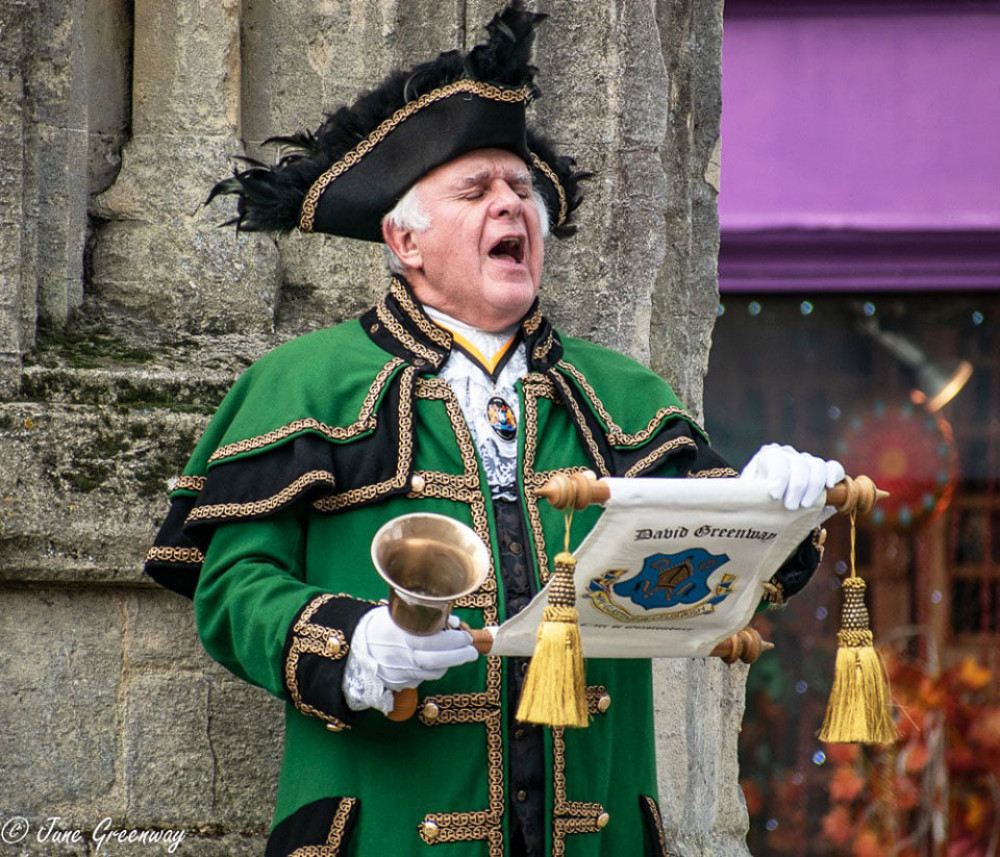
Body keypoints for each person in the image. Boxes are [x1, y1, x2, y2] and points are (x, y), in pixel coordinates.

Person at [145, 4, 842, 855]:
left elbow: (715, 570)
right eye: (476, 191)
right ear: (406, 240)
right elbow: (232, 589)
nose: (511, 204)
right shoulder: (304, 382)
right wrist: (351, 641)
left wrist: (769, 511)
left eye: (522, 191)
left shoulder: (620, 391)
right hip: (386, 833)